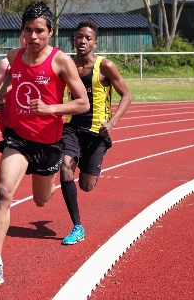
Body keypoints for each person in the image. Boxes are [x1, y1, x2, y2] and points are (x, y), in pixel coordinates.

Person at [0, 2, 89, 287]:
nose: (33, 37)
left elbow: (82, 102)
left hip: (49, 144)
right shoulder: (13, 56)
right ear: (22, 32)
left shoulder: (61, 61)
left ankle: (45, 180)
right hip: (18, 139)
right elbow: (8, 85)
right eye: (28, 30)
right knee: (3, 193)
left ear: (50, 32)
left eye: (39, 31)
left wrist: (51, 109)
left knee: (41, 201)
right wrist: (0, 98)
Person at [59, 21, 132, 245]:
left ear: (95, 42)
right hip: (71, 127)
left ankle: (90, 163)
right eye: (79, 37)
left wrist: (112, 123)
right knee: (65, 168)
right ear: (74, 39)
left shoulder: (105, 66)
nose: (83, 41)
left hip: (96, 132)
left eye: (88, 38)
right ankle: (77, 226)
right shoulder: (67, 65)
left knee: (86, 186)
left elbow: (127, 95)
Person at [0, 33, 26, 150]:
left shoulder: (43, 61)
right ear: (20, 38)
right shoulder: (6, 62)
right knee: (12, 149)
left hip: (30, 115)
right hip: (8, 116)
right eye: (25, 35)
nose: (29, 37)